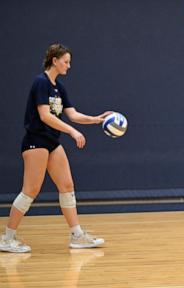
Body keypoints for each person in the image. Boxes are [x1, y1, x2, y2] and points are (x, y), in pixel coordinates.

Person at [0, 43, 112, 253]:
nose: (69, 66)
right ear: (55, 60)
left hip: (52, 142)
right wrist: (72, 132)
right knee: (30, 190)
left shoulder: (59, 88)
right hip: (36, 141)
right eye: (66, 62)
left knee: (67, 186)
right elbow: (44, 115)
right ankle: (7, 238)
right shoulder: (40, 83)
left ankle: (77, 235)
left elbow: (73, 114)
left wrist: (96, 119)